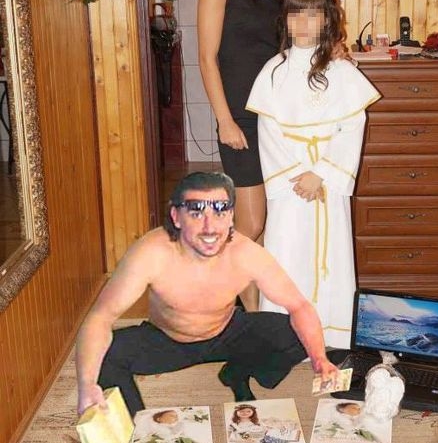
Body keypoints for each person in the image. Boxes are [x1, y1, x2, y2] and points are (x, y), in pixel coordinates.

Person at [75, 170, 337, 419]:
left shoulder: (245, 253)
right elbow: (100, 317)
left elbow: (299, 306)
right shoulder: (152, 252)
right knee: (104, 355)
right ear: (176, 217)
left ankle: (237, 372)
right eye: (196, 213)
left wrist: (319, 359)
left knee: (296, 334)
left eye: (220, 212)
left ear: (231, 216)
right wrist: (86, 384)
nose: (210, 227)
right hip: (169, 340)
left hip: (226, 332)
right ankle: (136, 428)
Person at [246, 0, 381, 349]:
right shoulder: (273, 71)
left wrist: (321, 173)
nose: (303, 24)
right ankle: (284, 338)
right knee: (287, 252)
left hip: (326, 183)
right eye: (295, 15)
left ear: (326, 20)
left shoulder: (341, 71)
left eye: (312, 15)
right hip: (291, 187)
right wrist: (298, 176)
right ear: (284, 20)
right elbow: (268, 131)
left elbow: (353, 125)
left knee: (331, 256)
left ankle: (331, 334)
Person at [197, 0, 283, 310]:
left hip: (274, 118)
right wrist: (224, 120)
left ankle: (253, 316)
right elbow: (206, 58)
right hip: (240, 120)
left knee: (263, 226)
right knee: (250, 222)